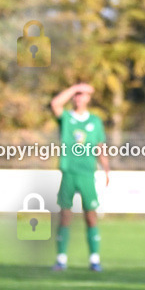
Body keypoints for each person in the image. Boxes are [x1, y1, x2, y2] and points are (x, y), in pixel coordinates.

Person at [50, 83, 109, 271]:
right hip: (69, 172)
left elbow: (100, 147)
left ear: (88, 98)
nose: (79, 98)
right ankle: (61, 259)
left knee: (91, 216)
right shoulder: (66, 118)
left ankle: (94, 259)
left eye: (82, 95)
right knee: (65, 216)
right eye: (77, 95)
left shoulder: (95, 121)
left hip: (87, 173)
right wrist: (74, 87)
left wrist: (106, 169)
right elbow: (55, 104)